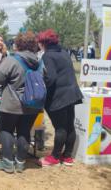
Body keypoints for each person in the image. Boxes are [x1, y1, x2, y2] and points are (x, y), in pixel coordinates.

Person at [0, 31, 41, 173]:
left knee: (6, 130)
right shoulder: (39, 62)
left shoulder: (12, 60)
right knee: (24, 132)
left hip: (12, 103)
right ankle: (20, 162)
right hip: (32, 104)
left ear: (18, 44)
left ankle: (7, 162)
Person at [37, 29, 83, 166]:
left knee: (60, 128)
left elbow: (50, 78)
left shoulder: (48, 56)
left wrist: (40, 86)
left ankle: (55, 157)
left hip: (59, 96)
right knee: (70, 126)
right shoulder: (64, 52)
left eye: (39, 42)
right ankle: (67, 157)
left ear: (43, 42)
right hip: (72, 93)